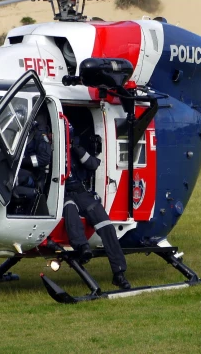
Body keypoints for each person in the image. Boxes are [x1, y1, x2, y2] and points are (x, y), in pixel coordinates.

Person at [64, 124, 131, 290]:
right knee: (70, 209)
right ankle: (83, 248)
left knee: (106, 225)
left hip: (80, 192)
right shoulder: (44, 149)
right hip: (60, 193)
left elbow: (93, 164)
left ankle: (119, 273)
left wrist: (75, 148)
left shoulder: (76, 149)